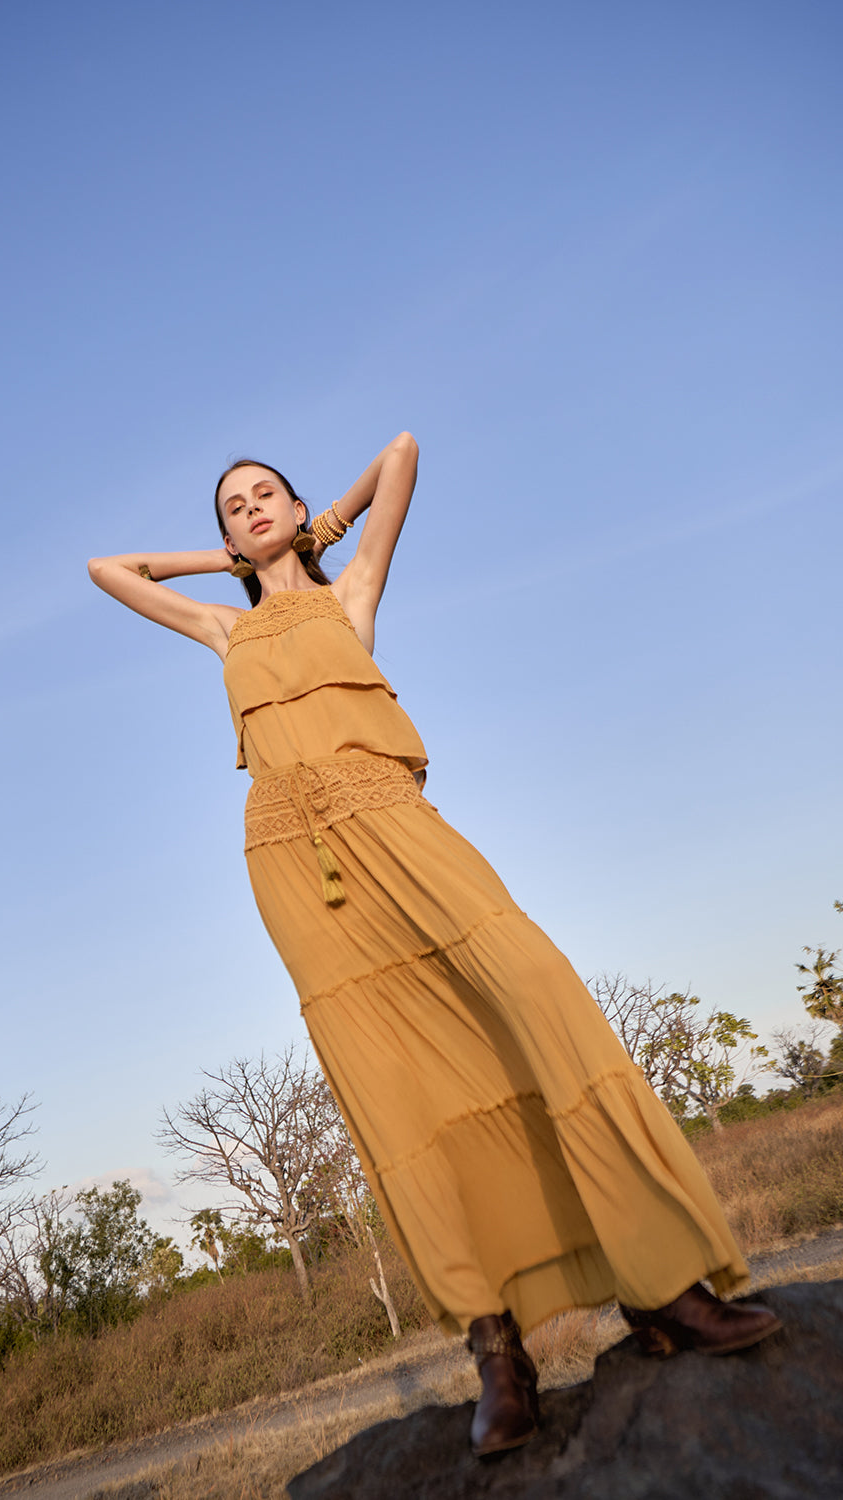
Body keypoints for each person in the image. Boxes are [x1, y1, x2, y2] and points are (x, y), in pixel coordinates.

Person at [88, 433, 780, 1458]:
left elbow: (401, 452)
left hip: (395, 820)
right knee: (397, 1085)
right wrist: (230, 568)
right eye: (232, 506)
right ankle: (497, 1353)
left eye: (264, 493)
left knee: (533, 993)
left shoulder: (351, 591)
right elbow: (113, 571)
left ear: (301, 504)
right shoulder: (224, 634)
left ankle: (660, 1287)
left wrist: (318, 530)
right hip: (294, 859)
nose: (250, 509)